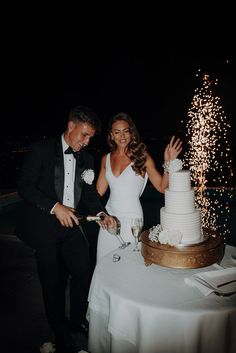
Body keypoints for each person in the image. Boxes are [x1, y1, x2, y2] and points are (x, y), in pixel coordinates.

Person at [16, 105, 116, 353]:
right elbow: (25, 187)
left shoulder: (87, 159)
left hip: (72, 226)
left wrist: (103, 214)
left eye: (91, 137)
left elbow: (90, 194)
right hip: (44, 227)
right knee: (53, 284)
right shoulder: (42, 150)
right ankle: (61, 335)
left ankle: (77, 321)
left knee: (84, 273)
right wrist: (54, 207)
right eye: (84, 134)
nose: (86, 141)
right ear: (71, 126)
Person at [96, 112, 182, 262]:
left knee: (127, 263)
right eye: (117, 132)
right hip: (109, 219)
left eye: (126, 131)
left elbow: (162, 187)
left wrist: (168, 162)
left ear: (131, 133)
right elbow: (97, 193)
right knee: (104, 262)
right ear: (111, 135)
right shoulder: (106, 159)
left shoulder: (142, 157)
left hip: (132, 220)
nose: (122, 136)